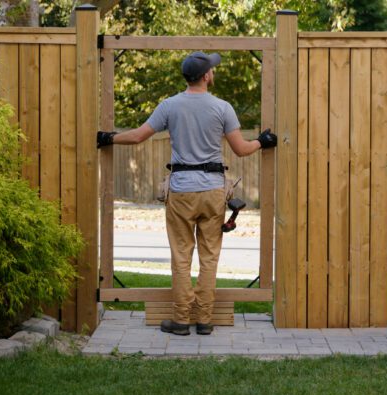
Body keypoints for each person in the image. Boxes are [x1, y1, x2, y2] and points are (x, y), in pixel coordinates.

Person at [97, 51, 277, 336]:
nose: (213, 73)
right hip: (213, 191)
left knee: (181, 257)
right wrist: (263, 141)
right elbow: (241, 149)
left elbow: (138, 136)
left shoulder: (169, 106)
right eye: (212, 70)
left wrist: (107, 137)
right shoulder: (223, 107)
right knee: (209, 257)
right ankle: (204, 320)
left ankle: (181, 321)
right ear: (206, 76)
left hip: (181, 190)